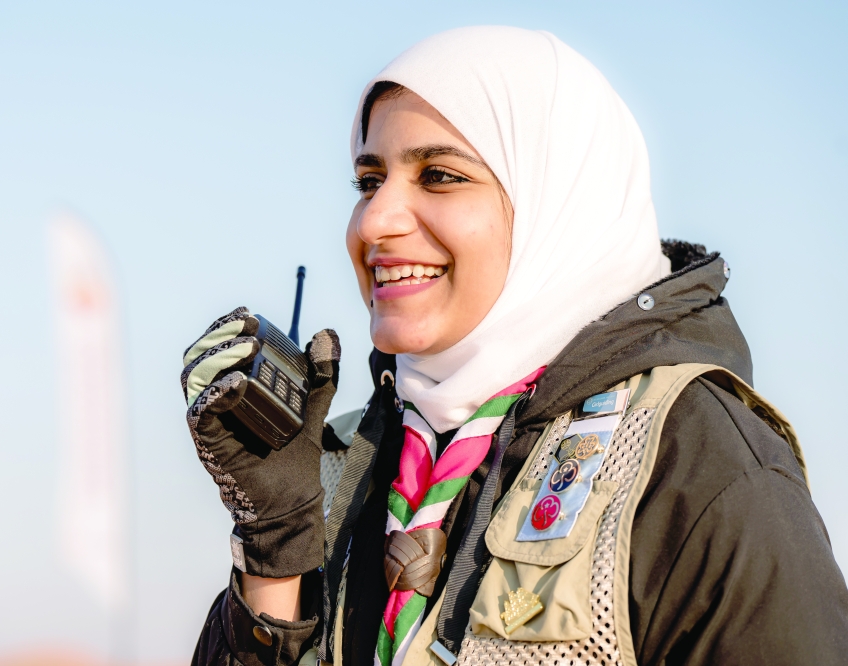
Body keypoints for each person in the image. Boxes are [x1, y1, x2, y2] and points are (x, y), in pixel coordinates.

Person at [182, 26, 848, 666]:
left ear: (558, 205)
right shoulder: (345, 465)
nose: (376, 219)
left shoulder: (698, 464)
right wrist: (273, 549)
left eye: (439, 175)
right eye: (368, 180)